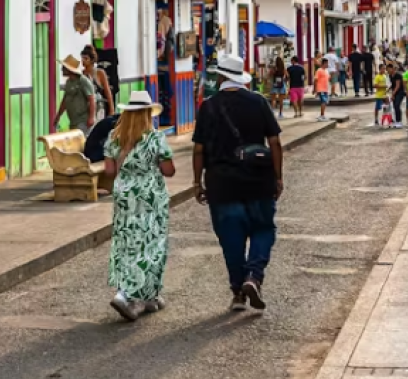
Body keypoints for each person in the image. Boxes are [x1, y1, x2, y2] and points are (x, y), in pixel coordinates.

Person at [193, 52, 283, 313]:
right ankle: (253, 276)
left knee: (231, 238)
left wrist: (197, 182)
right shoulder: (258, 102)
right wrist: (278, 177)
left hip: (222, 184)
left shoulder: (208, 107)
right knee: (263, 229)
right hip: (258, 181)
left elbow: (198, 150)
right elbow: (275, 143)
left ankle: (238, 292)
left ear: (220, 77)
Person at [104, 92, 175, 321]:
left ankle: (148, 295)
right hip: (150, 198)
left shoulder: (114, 137)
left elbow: (109, 171)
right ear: (147, 114)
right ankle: (127, 295)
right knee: (150, 245)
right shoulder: (155, 138)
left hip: (124, 198)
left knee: (126, 243)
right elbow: (169, 170)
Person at [54, 54, 96, 131]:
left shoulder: (83, 81)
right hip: (73, 121)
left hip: (83, 121)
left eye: (64, 67)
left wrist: (91, 118)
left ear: (69, 69)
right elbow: (65, 100)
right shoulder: (68, 82)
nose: (62, 69)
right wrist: (58, 116)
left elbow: (91, 99)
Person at [82, 45, 115, 119]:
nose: (83, 61)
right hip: (85, 108)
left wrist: (111, 109)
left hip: (98, 106)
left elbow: (107, 92)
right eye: (82, 58)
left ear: (92, 60)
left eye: (86, 58)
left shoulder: (99, 73)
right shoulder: (81, 74)